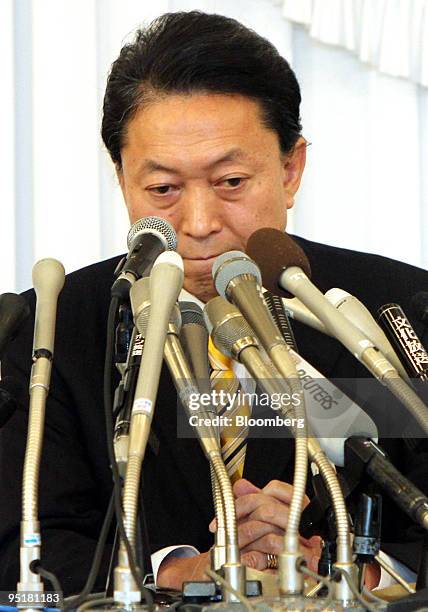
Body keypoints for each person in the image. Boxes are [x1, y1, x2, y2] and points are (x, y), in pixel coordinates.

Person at [1, 10, 428, 596]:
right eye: (162, 189)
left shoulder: (394, 313)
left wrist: (351, 574)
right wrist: (181, 574)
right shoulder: (53, 330)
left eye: (231, 182)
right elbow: (21, 538)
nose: (198, 224)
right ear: (121, 178)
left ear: (291, 168)